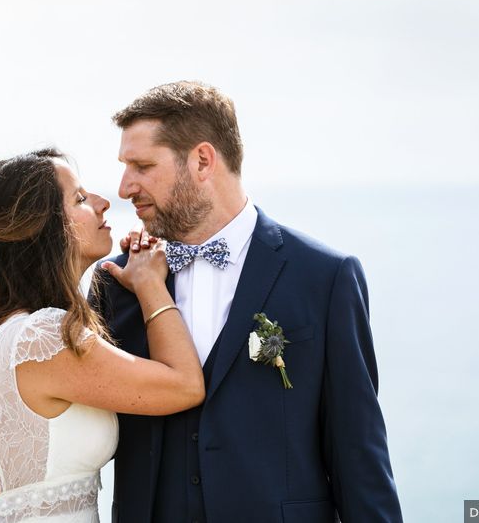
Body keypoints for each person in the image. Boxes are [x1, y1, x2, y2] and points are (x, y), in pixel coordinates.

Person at [90, 81, 404, 522]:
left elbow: (359, 454)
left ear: (202, 161)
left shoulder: (324, 278)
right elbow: (72, 412)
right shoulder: (117, 283)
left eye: (142, 166)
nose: (125, 188)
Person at [0, 149, 204, 523]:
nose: (103, 203)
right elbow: (184, 386)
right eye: (81, 199)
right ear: (43, 228)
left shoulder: (4, 336)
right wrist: (150, 284)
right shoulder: (42, 338)